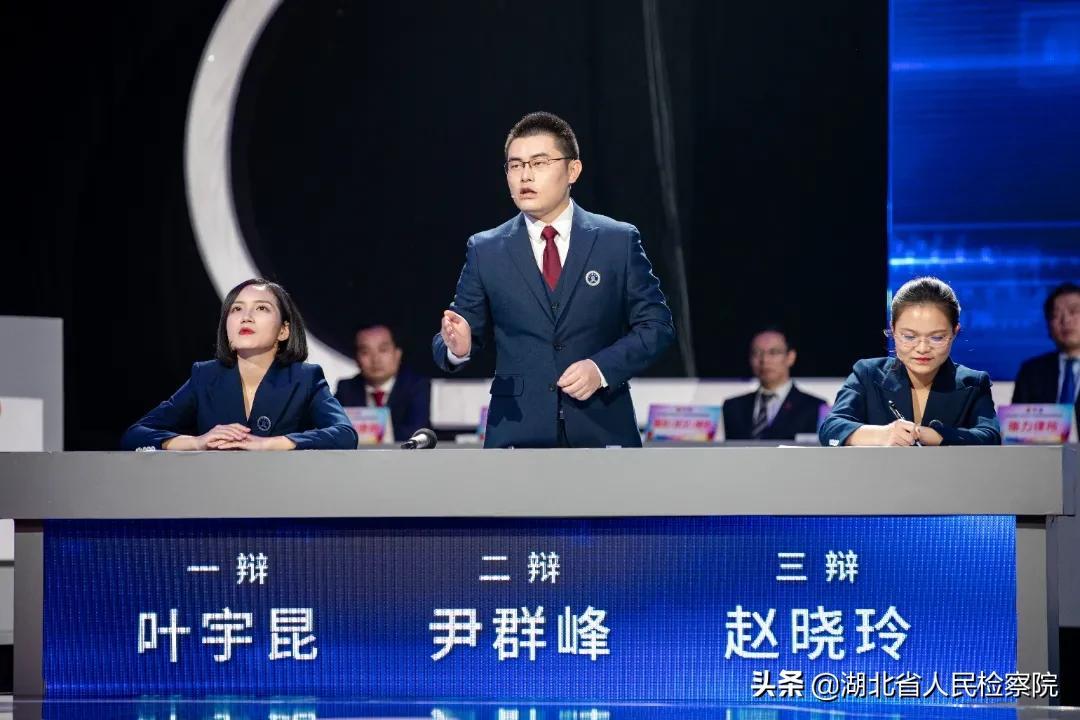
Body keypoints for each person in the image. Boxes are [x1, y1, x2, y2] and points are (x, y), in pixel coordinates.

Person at [432, 111, 675, 448]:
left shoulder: (617, 241)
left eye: (539, 163)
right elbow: (453, 336)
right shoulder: (485, 249)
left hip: (602, 427)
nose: (525, 175)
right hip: (517, 434)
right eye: (515, 165)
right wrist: (457, 349)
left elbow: (657, 326)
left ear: (572, 170)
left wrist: (600, 369)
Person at [121, 278, 358, 450]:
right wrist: (196, 442)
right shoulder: (205, 376)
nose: (246, 317)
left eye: (261, 308)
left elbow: (345, 434)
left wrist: (272, 445)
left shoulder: (305, 378)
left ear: (283, 331)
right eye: (236, 309)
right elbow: (135, 435)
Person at [819, 276, 1000, 447]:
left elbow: (990, 437)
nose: (922, 348)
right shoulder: (868, 374)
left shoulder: (973, 384)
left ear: (954, 332)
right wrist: (883, 435)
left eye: (937, 337)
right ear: (893, 330)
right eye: (909, 337)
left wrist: (929, 435)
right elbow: (831, 428)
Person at [723, 328, 826, 440]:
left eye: (773, 352)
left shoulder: (814, 407)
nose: (764, 360)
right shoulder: (733, 407)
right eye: (757, 353)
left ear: (790, 357)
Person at [335, 324, 431, 442]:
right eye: (365, 352)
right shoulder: (346, 389)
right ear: (356, 358)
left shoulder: (416, 386)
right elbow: (334, 431)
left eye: (383, 350)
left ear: (397, 354)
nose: (376, 359)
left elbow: (417, 433)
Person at [1012, 282, 1080, 426]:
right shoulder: (1031, 372)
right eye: (1056, 315)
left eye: (1074, 311)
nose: (1066, 320)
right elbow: (1016, 429)